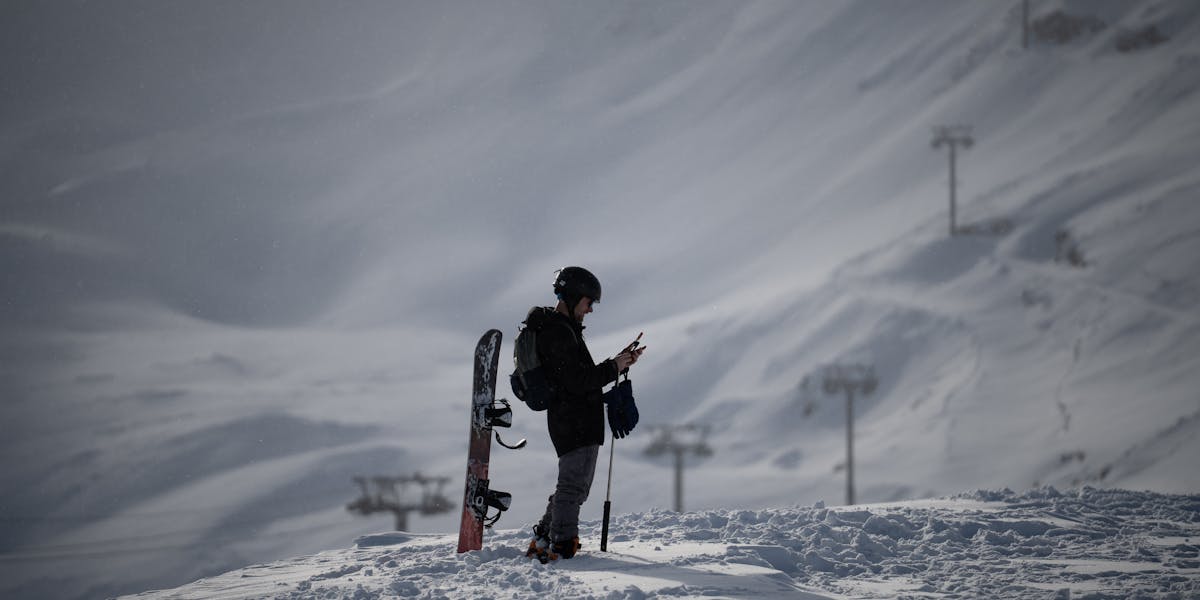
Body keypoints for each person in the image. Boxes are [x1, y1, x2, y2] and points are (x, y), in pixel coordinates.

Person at [524, 266, 644, 562]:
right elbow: (578, 381)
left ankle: (543, 537)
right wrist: (614, 367)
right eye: (589, 302)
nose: (590, 309)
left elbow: (579, 376)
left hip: (573, 419)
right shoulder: (558, 332)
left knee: (571, 485)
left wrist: (620, 362)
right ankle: (562, 545)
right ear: (575, 296)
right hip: (574, 421)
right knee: (573, 487)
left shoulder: (563, 331)